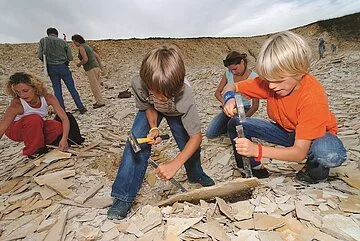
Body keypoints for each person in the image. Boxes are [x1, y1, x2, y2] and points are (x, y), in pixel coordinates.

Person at [222, 31, 347, 184]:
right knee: (236, 123)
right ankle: (254, 169)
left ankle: (314, 172)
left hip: (317, 137)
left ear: (300, 71)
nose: (272, 86)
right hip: (286, 130)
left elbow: (299, 152)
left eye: (278, 80)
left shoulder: (312, 96)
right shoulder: (272, 82)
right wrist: (229, 99)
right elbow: (231, 86)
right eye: (268, 80)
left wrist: (257, 150)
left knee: (329, 154)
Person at [108, 45, 215, 220]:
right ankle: (123, 197)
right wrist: (154, 127)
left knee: (189, 145)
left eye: (167, 95)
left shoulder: (185, 94)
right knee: (135, 142)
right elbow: (148, 106)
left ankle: (195, 173)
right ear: (147, 83)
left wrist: (175, 164)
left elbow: (196, 137)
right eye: (157, 93)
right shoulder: (139, 83)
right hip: (151, 111)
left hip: (177, 112)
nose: (162, 98)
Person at [0, 72, 70, 158]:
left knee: (56, 126)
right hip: (15, 129)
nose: (22, 95)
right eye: (18, 92)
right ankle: (33, 151)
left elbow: (64, 118)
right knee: (34, 119)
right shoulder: (17, 105)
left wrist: (64, 139)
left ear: (35, 88)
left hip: (34, 126)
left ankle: (41, 144)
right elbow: (2, 128)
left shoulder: (48, 98)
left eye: (25, 91)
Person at [206, 51, 259, 139]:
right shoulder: (228, 73)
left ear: (242, 62)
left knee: (235, 135)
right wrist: (225, 103)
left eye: (235, 69)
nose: (233, 72)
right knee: (211, 133)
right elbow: (217, 93)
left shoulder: (254, 78)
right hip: (229, 108)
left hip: (244, 109)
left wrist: (244, 119)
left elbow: (255, 106)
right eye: (231, 70)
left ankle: (233, 125)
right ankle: (229, 125)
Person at [38, 27, 86, 114]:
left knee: (57, 90)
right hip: (63, 66)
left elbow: (40, 55)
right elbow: (70, 57)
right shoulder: (63, 42)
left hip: (51, 67)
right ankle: (81, 107)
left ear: (48, 33)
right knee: (72, 88)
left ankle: (62, 110)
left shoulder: (43, 41)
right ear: (57, 33)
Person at [71, 34, 105, 109]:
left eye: (74, 42)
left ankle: (100, 102)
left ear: (77, 41)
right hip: (96, 67)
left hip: (90, 68)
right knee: (97, 85)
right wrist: (100, 66)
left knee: (94, 86)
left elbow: (85, 59)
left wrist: (79, 64)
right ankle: (100, 100)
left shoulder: (81, 47)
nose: (74, 44)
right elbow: (97, 56)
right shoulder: (87, 46)